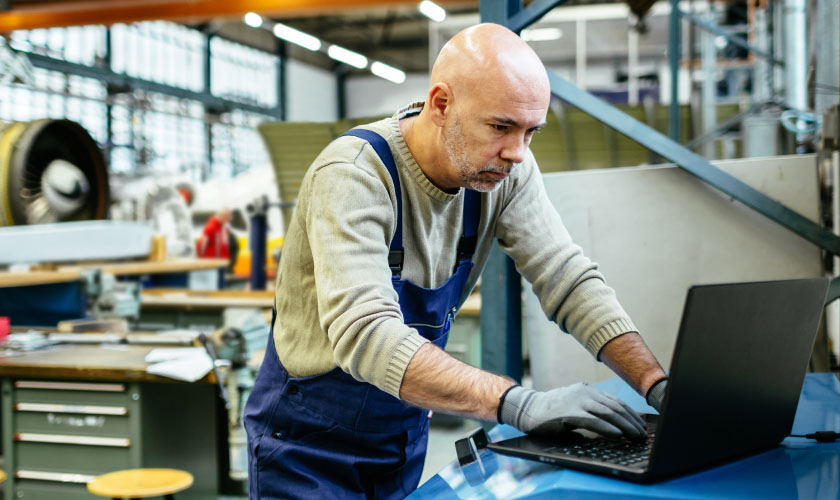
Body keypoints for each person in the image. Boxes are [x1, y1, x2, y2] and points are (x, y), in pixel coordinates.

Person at [244, 23, 668, 499]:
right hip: (306, 447)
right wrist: (519, 404)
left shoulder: (502, 171)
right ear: (441, 104)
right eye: (501, 126)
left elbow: (566, 276)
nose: (517, 153)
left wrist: (656, 385)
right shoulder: (353, 174)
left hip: (399, 434)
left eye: (531, 131)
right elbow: (366, 334)